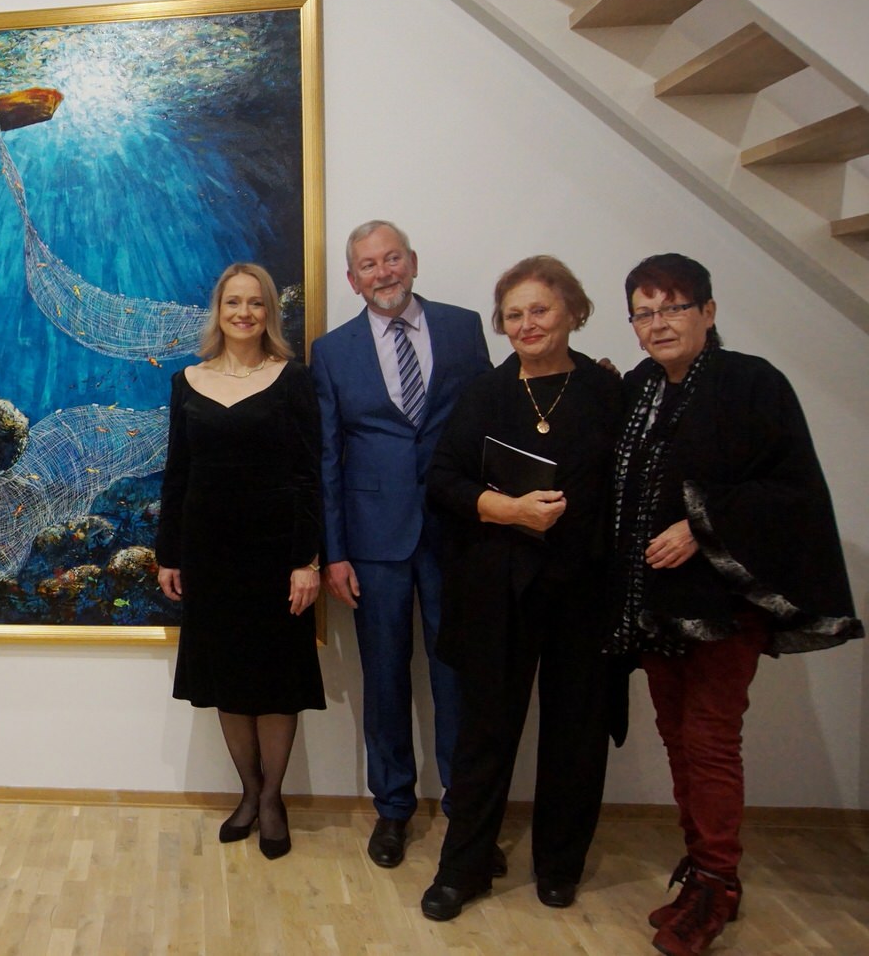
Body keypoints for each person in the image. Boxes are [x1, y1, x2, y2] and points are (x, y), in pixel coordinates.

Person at [609, 253, 862, 956]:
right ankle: (704, 871)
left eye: (674, 307)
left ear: (708, 312)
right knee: (677, 737)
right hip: (656, 604)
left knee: (710, 740)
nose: (659, 323)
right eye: (644, 312)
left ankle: (717, 883)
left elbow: (792, 490)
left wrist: (701, 525)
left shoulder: (752, 383)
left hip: (723, 604)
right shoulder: (638, 388)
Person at [418, 256, 625, 921]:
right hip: (497, 589)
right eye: (513, 314)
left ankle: (559, 866)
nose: (527, 323)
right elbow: (443, 480)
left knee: (576, 733)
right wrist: (509, 510)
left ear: (572, 311)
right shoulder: (485, 393)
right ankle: (464, 867)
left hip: (583, 588)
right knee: (484, 735)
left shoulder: (607, 391)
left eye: (540, 309)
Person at [309, 220, 491, 868]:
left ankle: (468, 815)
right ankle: (392, 809)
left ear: (412, 261)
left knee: (458, 678)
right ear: (352, 278)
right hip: (372, 543)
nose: (383, 272)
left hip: (456, 533)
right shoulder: (332, 351)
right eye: (368, 264)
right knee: (384, 679)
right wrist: (334, 552)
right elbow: (328, 456)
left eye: (392, 259)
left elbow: (488, 426)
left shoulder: (464, 327)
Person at [156, 263, 324, 861]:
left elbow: (308, 476)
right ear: (218, 310)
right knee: (227, 681)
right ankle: (248, 794)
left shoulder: (293, 380)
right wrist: (168, 554)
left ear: (269, 313)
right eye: (234, 302)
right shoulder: (186, 381)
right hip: (209, 555)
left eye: (256, 303)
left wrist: (307, 560)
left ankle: (273, 800)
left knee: (275, 684)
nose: (244, 313)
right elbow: (177, 474)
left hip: (276, 555)